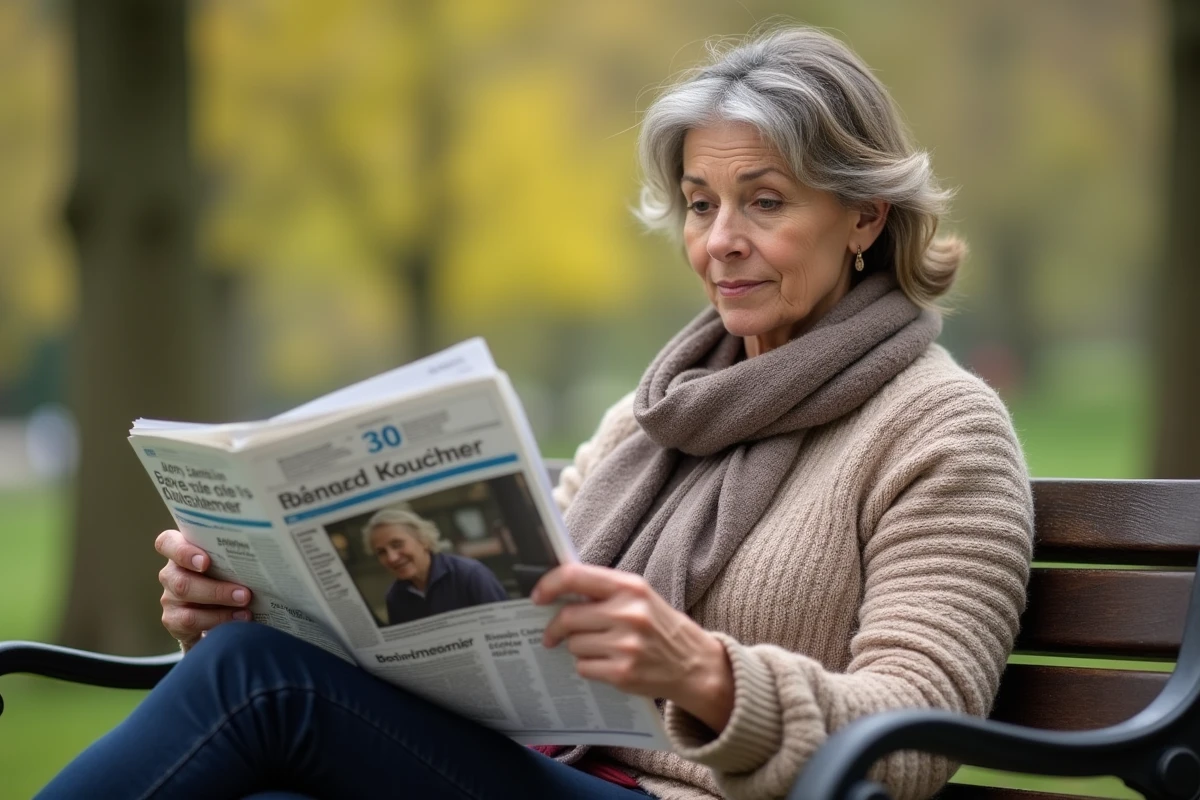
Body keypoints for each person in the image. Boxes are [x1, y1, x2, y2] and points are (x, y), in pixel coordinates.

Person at [39, 25, 1034, 800]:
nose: (719, 240)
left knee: (265, 682)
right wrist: (248, 601)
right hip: (549, 766)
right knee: (257, 702)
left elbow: (916, 732)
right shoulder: (658, 414)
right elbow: (507, 630)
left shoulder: (941, 427)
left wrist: (707, 674)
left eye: (764, 201)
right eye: (699, 202)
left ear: (865, 213)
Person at [362, 507, 509, 626]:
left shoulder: (471, 575)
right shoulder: (394, 597)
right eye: (381, 552)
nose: (392, 558)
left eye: (397, 544)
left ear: (424, 541)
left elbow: (508, 628)